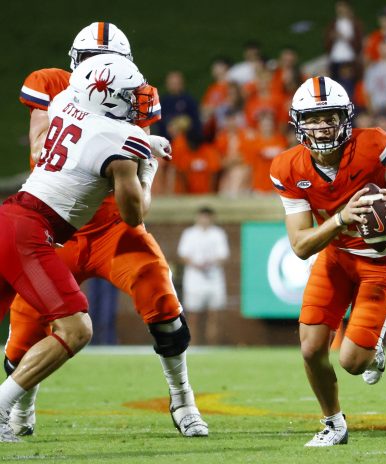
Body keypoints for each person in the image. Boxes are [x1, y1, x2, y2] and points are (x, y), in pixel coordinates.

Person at [9, 22, 208, 438]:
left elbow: (128, 181)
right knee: (26, 326)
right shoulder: (53, 87)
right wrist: (130, 146)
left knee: (161, 294)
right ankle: (20, 408)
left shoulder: (132, 96)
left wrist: (133, 145)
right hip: (53, 229)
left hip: (111, 227)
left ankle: (183, 397)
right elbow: (40, 148)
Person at [269, 76, 386, 446]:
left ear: (345, 117)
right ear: (298, 123)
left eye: (329, 116)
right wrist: (341, 219)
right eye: (313, 118)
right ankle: (333, 424)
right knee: (312, 348)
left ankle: (372, 349)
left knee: (351, 363)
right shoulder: (287, 168)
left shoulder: (374, 145)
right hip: (334, 258)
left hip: (379, 261)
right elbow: (300, 246)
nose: (322, 126)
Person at [0, 54, 159, 442]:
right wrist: (148, 169)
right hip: (30, 232)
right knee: (76, 328)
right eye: (128, 92)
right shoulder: (122, 141)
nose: (137, 98)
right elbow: (135, 216)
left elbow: (90, 137)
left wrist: (142, 143)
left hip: (10, 216)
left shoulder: (65, 103)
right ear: (107, 96)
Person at [177, 207, 230, 345]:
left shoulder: (218, 234)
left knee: (215, 315)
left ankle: (212, 345)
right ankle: (193, 345)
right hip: (194, 280)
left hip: (214, 280)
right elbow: (183, 255)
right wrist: (196, 264)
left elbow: (223, 256)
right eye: (202, 217)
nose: (204, 220)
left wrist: (210, 263)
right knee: (193, 316)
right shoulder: (189, 234)